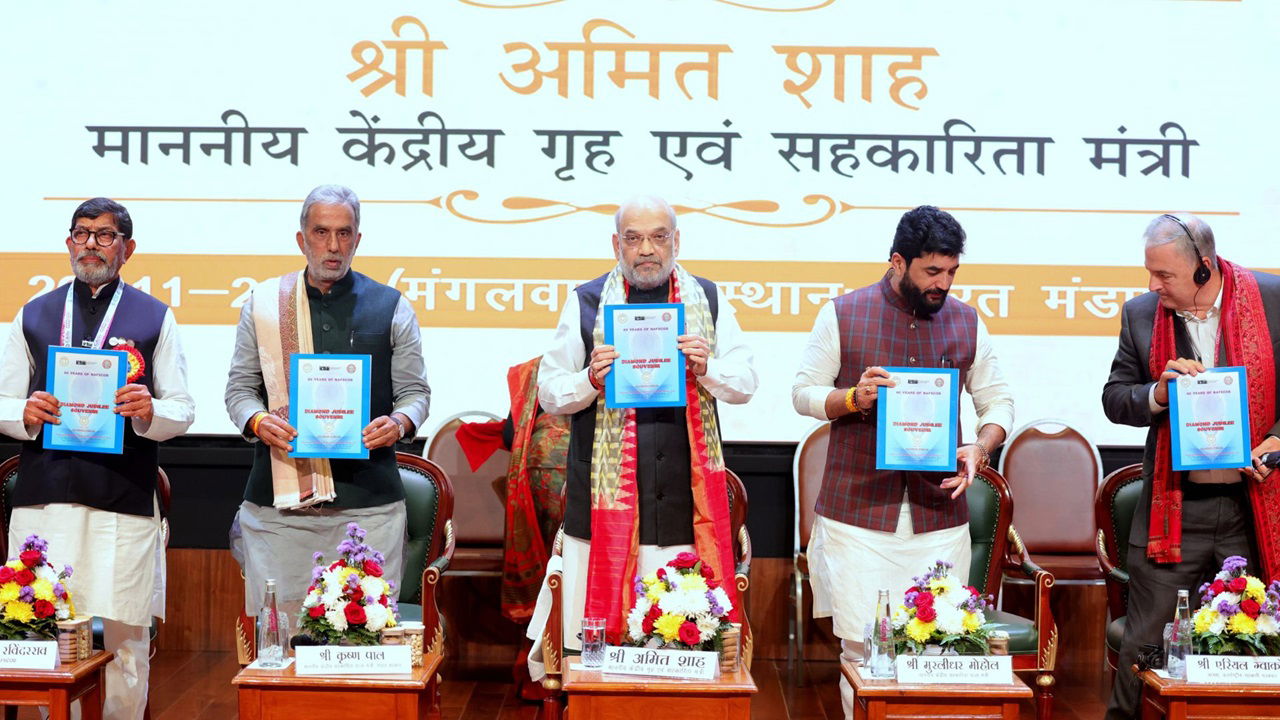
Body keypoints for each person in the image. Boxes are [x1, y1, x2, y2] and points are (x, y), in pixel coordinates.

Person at [792, 205, 1013, 718]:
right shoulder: (843, 313)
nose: (944, 283)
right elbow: (803, 394)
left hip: (940, 516)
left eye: (952, 271)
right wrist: (852, 399)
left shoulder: (966, 321)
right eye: (932, 271)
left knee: (937, 651)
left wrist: (980, 446)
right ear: (897, 261)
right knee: (864, 650)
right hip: (857, 516)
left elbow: (998, 400)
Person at [527, 195, 758, 667]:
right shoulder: (586, 301)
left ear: (677, 242)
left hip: (684, 512)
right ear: (617, 244)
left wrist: (706, 367)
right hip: (602, 510)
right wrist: (590, 379)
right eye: (633, 238)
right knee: (590, 660)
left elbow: (746, 384)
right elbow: (550, 392)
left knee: (681, 651)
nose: (646, 249)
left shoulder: (709, 299)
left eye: (658, 237)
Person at [0, 197, 194, 720]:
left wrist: (150, 409)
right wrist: (26, 409)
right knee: (43, 632)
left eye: (105, 235)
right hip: (47, 501)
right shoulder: (34, 314)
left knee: (125, 637)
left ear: (127, 249)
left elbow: (182, 409)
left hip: (122, 499)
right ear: (68, 243)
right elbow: (1, 402)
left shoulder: (154, 316)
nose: (91, 243)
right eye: (82, 232)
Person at [1102, 213, 1280, 719]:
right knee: (1145, 648)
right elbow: (1116, 399)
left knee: (1258, 644)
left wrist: (1275, 440)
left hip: (1257, 505)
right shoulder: (1141, 315)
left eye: (1165, 276)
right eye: (1149, 274)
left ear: (1204, 268)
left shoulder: (1272, 299)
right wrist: (1158, 391)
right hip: (1175, 511)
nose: (1152, 286)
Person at [225, 184, 430, 620]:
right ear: (302, 239)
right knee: (280, 643)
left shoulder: (391, 305)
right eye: (321, 232)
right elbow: (240, 391)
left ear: (358, 239)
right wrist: (259, 421)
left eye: (344, 233)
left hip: (370, 507)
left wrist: (399, 422)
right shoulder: (263, 304)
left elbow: (416, 395)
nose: (333, 246)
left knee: (366, 639)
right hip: (280, 506)